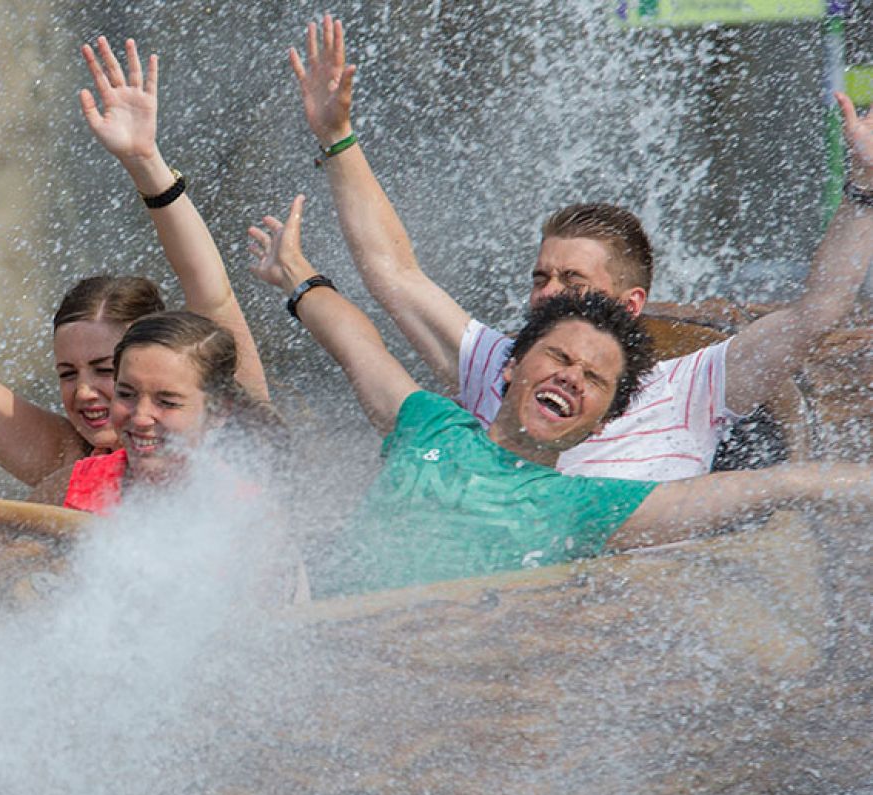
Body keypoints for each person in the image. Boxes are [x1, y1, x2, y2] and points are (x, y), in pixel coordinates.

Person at [286, 14, 873, 481]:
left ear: (631, 303)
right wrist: (339, 138)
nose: (548, 294)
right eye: (541, 278)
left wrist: (864, 189)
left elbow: (820, 309)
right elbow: (394, 273)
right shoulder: (501, 364)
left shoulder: (692, 387)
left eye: (573, 280)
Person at [250, 195, 873, 597]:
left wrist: (863, 194)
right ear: (511, 365)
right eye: (556, 358)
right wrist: (299, 278)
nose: (571, 376)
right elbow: (362, 338)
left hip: (464, 664)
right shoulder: (430, 423)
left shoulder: (587, 505)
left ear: (602, 419)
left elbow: (787, 483)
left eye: (593, 379)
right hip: (326, 641)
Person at [0, 37, 264, 490]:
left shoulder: (232, 430)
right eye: (68, 374)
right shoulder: (67, 458)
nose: (84, 393)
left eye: (107, 371)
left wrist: (146, 162)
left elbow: (211, 292)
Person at [27, 310, 283, 513]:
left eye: (167, 402)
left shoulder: (248, 515)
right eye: (126, 394)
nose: (140, 417)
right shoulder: (73, 486)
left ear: (219, 410)